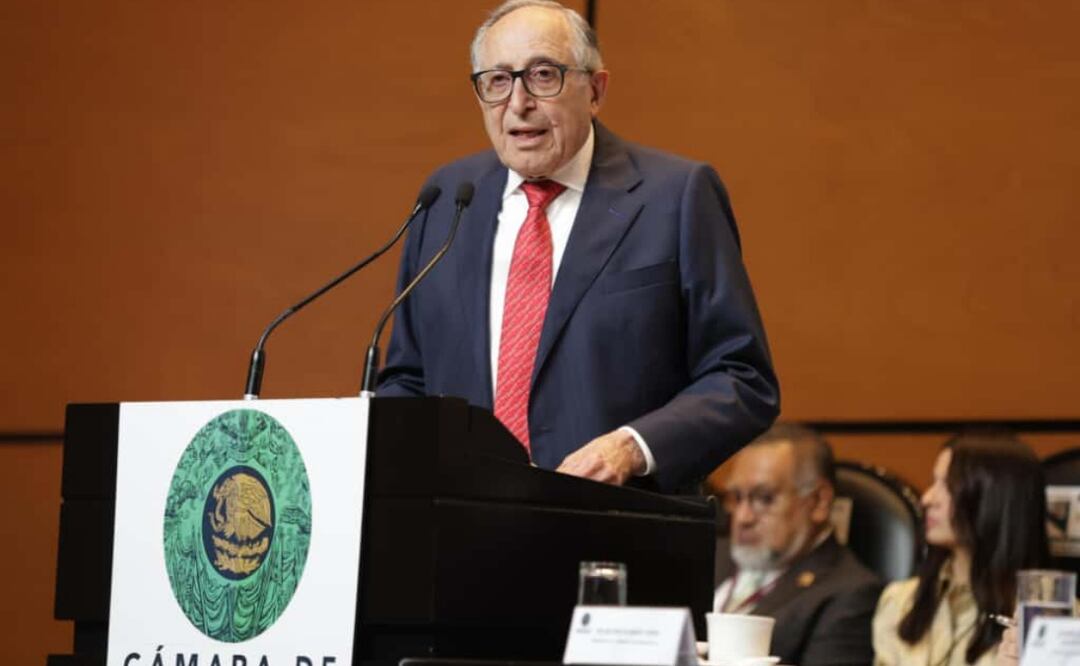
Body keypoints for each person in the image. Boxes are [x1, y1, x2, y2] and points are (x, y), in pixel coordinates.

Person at [376, 0, 779, 492]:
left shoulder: (675, 197)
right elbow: (406, 380)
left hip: (619, 526)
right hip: (463, 530)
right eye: (497, 81)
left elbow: (742, 378)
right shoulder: (446, 199)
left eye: (543, 75)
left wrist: (633, 446)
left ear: (596, 90)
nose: (518, 103)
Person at [872, 432, 1050, 665]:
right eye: (933, 482)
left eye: (946, 486)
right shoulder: (900, 601)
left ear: (993, 499)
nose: (927, 499)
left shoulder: (1051, 618)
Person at [713, 423, 882, 666]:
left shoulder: (849, 595)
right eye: (737, 498)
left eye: (764, 498)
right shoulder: (711, 555)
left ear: (818, 502)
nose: (742, 518)